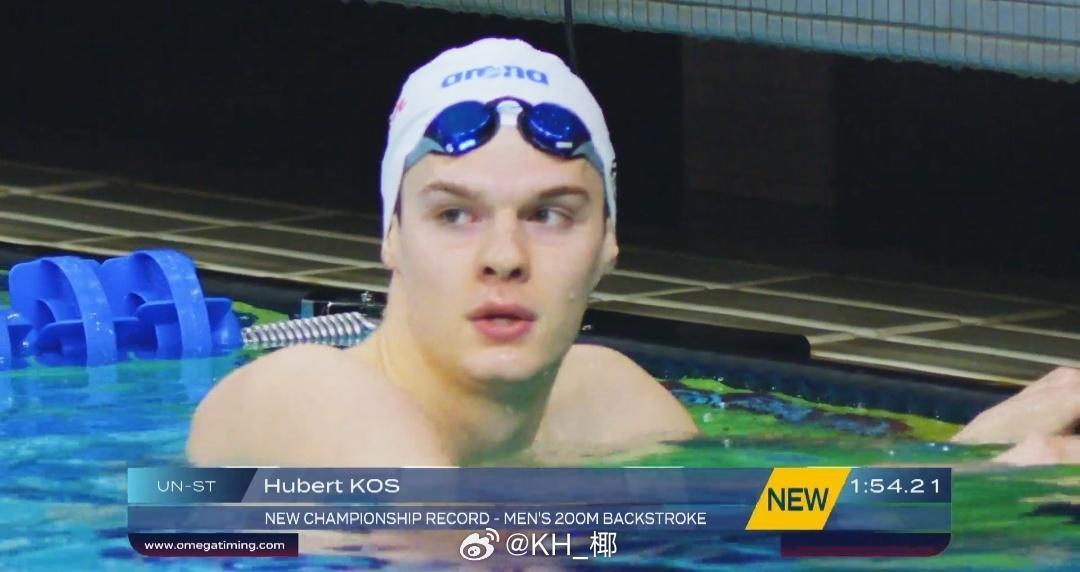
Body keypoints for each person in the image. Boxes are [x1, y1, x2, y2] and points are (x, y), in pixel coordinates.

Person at [187, 38, 1078, 468]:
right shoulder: (307, 395)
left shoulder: (606, 401)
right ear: (390, 236)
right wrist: (975, 500)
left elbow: (760, 514)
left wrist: (962, 456)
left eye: (551, 214)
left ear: (609, 243)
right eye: (455, 215)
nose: (504, 257)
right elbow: (458, 548)